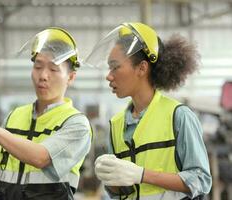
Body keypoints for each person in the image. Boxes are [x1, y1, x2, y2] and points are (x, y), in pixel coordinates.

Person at [0, 27, 92, 200]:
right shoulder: (14, 116)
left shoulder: (76, 124)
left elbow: (41, 157)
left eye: (53, 69)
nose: (43, 75)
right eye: (38, 66)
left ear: (71, 77)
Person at [84, 22, 212, 199]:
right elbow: (121, 194)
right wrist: (110, 180)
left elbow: (201, 180)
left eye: (115, 66)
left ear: (142, 68)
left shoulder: (178, 116)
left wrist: (142, 174)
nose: (109, 75)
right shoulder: (116, 125)